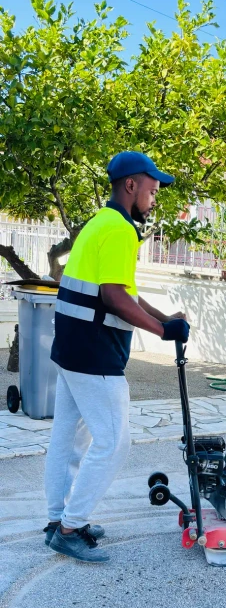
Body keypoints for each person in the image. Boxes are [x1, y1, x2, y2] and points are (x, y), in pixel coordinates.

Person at [44, 151, 190, 562]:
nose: (155, 194)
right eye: (152, 186)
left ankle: (58, 519)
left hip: (71, 348)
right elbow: (113, 298)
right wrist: (163, 331)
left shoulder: (100, 223)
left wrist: (165, 317)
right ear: (131, 185)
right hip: (94, 353)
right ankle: (70, 529)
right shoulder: (122, 230)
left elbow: (122, 290)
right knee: (114, 442)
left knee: (68, 437)